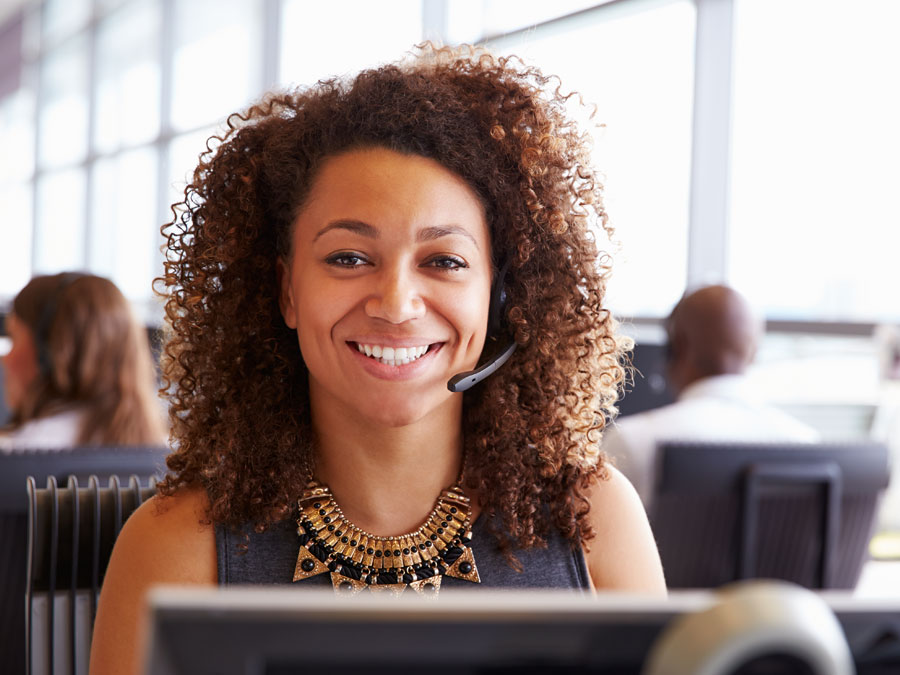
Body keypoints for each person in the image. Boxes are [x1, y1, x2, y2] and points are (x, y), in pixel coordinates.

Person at [90, 46, 666, 674]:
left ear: (500, 299)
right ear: (285, 290)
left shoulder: (594, 519)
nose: (395, 304)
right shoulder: (175, 545)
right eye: (348, 258)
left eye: (443, 261)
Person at [603, 284, 819, 507]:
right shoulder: (806, 445)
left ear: (678, 346)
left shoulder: (631, 441)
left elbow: (590, 536)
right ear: (753, 351)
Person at [0, 272, 167, 450]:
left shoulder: (23, 453)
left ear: (48, 355)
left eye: (14, 338)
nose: (5, 358)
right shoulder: (164, 454)